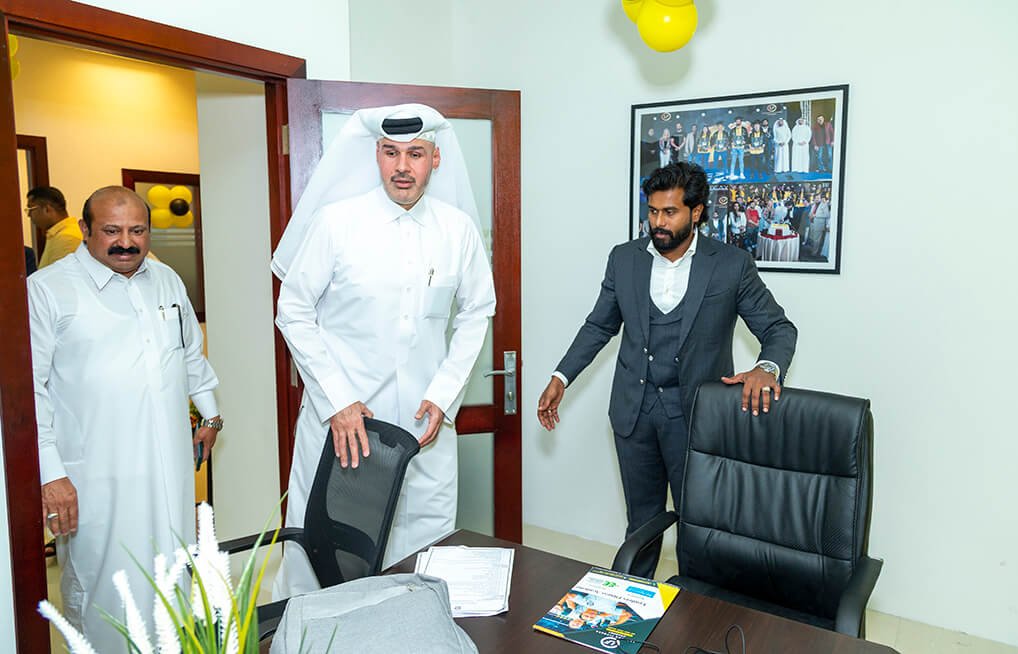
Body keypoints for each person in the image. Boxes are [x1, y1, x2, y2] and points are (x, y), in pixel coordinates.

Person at [271, 104, 496, 597]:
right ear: (376, 154)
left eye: (415, 154)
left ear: (435, 159)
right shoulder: (336, 223)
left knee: (423, 551)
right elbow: (293, 310)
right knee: (326, 554)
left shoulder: (457, 230)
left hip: (423, 427)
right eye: (391, 153)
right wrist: (338, 400)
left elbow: (478, 311)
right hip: (345, 424)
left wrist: (444, 395)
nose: (402, 166)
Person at [537, 162, 796, 578]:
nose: (658, 222)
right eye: (653, 211)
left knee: (699, 527)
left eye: (670, 212)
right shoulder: (624, 259)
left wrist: (767, 368)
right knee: (641, 524)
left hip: (696, 419)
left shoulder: (730, 265)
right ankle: (635, 604)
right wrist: (561, 377)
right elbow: (599, 325)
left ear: (696, 212)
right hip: (633, 414)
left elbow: (778, 329)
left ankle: (694, 607)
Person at [28, 186, 222, 652]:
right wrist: (51, 475)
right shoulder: (48, 289)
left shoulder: (166, 279)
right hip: (95, 474)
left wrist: (211, 415)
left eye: (137, 231)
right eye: (112, 231)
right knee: (104, 582)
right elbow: (29, 390)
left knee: (172, 568)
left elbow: (189, 355)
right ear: (85, 229)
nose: (126, 243)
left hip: (169, 468)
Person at [26, 186, 83, 268]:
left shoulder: (66, 237)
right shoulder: (56, 234)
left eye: (31, 209)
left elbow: (59, 274)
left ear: (47, 209)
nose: (29, 215)